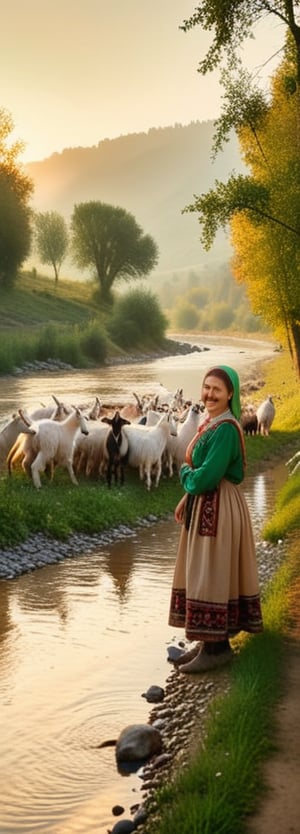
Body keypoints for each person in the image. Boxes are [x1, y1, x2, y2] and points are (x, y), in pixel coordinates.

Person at [168, 364, 263, 673]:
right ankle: (207, 641)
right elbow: (208, 472)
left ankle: (218, 648)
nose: (209, 394)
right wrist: (188, 496)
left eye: (216, 389)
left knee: (211, 570)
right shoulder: (214, 422)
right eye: (206, 387)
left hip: (218, 507)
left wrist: (185, 477)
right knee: (204, 569)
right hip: (209, 502)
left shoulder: (224, 429)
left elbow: (206, 476)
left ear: (230, 394)